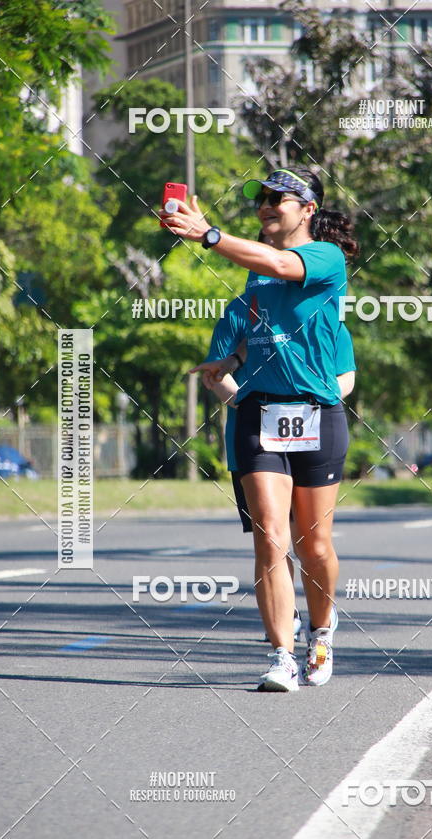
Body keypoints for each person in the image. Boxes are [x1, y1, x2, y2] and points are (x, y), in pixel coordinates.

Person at [159, 166, 359, 691]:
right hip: (259, 414)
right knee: (271, 536)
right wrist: (227, 363)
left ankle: (321, 633)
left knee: (313, 545)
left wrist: (210, 234)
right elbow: (259, 328)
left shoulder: (324, 257)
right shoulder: (254, 278)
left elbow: (275, 260)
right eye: (261, 199)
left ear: (308, 209)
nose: (266, 205)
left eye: (279, 199)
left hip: (317, 412)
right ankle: (280, 657)